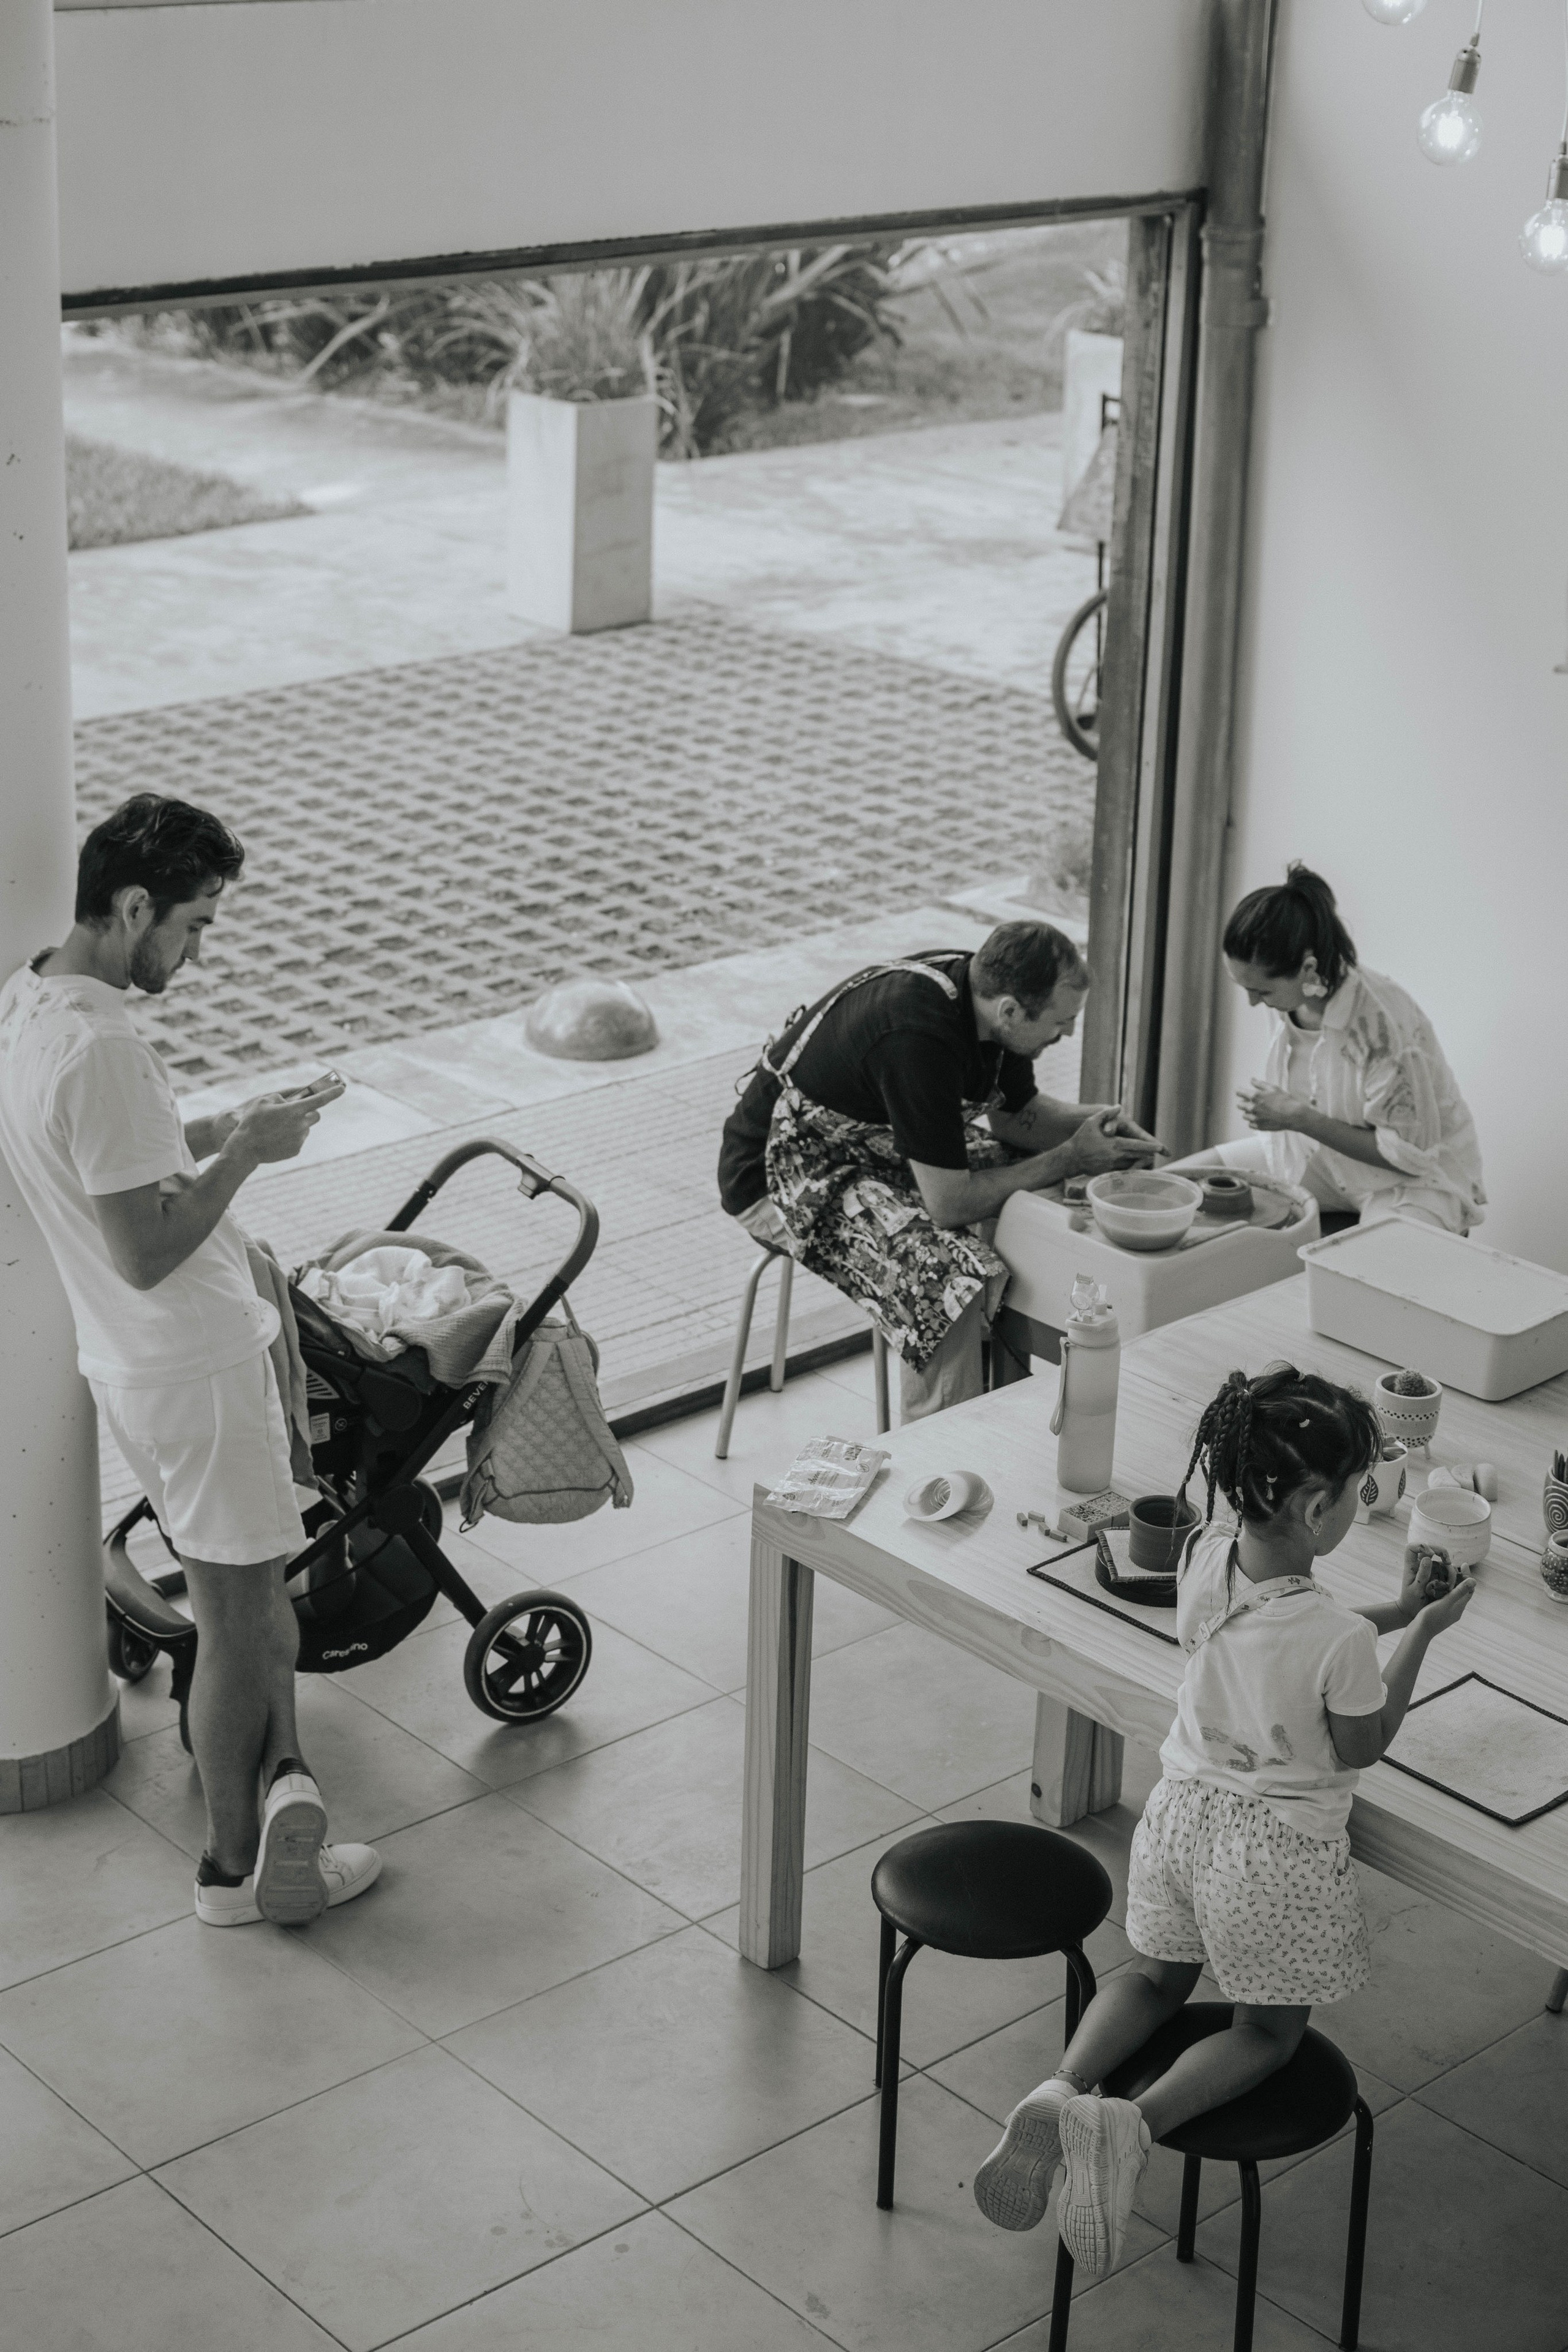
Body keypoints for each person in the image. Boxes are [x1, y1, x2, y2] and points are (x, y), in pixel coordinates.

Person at [972, 1361, 1474, 2276]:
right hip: (1272, 1857)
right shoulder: (1342, 1640)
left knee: (1155, 1979)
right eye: (1360, 1489)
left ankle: (1061, 2088)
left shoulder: (1207, 1555)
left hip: (1178, 1822)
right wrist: (1424, 1636)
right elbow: (1363, 1742)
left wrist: (1394, 1612)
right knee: (1266, 2032)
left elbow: (1279, 1635)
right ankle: (1129, 2126)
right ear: (1318, 1506)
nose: (1364, 1503)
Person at [0, 793, 380, 1928]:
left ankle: (279, 1812)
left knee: (254, 1607)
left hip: (147, 1370)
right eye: (195, 924)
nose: (199, 951)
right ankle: (231, 1873)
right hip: (192, 1364)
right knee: (239, 1618)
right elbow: (148, 1250)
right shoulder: (106, 1048)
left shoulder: (32, 1005)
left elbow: (99, 1168)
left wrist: (218, 1127)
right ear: (130, 907)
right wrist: (255, 1155)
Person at [717, 923, 1161, 1421]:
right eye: (1062, 1023)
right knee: (946, 1281)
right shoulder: (918, 1034)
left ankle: (996, 1378)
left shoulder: (992, 1001)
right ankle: (941, 1455)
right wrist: (1071, 1155)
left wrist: (1098, 1126)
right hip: (786, 1172)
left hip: (871, 1142)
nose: (1069, 1034)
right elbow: (950, 1205)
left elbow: (1018, 1119)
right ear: (1011, 1011)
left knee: (1041, 1186)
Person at [1185, 863, 1483, 1234]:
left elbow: (1410, 1156)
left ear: (1308, 968)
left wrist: (1297, 1117)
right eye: (1244, 988)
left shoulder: (1382, 1026)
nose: (1252, 1003)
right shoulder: (1290, 998)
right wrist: (1292, 1121)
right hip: (1320, 1161)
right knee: (1180, 1184)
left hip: (1411, 1183)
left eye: (1261, 991)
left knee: (1354, 1281)